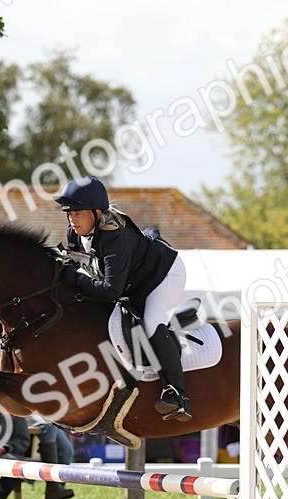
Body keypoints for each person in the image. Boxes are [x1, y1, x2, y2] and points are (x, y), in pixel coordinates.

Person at [54, 176, 192, 422]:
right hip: (134, 284)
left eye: (78, 213)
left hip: (164, 275)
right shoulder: (76, 233)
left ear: (97, 213)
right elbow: (76, 267)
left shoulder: (113, 236)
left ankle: (177, 395)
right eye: (69, 213)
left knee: (151, 323)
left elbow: (109, 291)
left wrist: (72, 278)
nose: (72, 219)